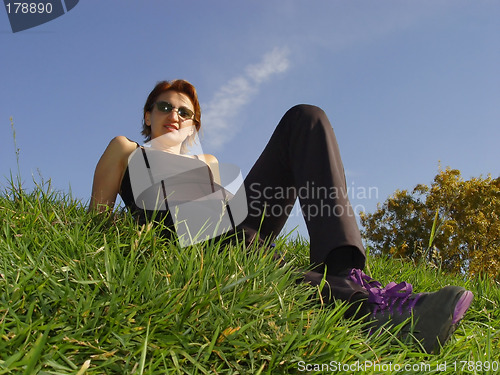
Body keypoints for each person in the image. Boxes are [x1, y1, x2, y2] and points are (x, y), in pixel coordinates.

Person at [90, 79, 473, 353]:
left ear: (194, 125)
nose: (174, 114)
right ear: (148, 113)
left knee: (306, 118)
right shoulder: (126, 149)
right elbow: (98, 220)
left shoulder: (206, 162)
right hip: (185, 230)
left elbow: (231, 209)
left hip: (229, 220)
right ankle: (373, 311)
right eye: (165, 106)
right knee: (227, 232)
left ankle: (345, 269)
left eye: (185, 112)